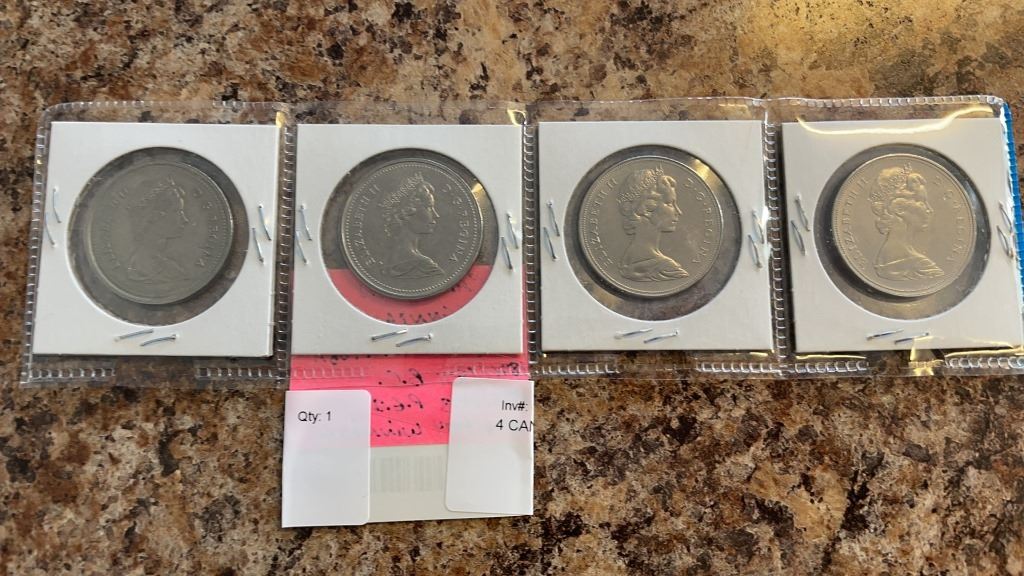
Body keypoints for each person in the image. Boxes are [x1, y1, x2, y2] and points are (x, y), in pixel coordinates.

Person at [868, 164, 944, 281]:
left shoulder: (884, 260)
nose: (929, 209)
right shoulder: (921, 265)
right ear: (899, 209)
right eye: (921, 202)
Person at [616, 166, 689, 281]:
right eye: (670, 204)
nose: (679, 212)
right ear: (646, 207)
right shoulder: (668, 269)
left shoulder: (626, 261)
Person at [378, 173, 444, 278]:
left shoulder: (387, 263)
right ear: (407, 213)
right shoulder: (425, 266)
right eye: (428, 207)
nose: (436, 215)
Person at [126, 178, 190, 284]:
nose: (185, 220)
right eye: (177, 211)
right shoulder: (171, 272)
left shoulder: (172, 269)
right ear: (154, 217)